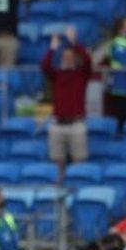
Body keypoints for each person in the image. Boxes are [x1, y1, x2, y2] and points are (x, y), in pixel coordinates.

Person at [42, 27, 92, 183]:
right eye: (65, 57)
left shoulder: (81, 75)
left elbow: (88, 61)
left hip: (76, 123)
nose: (67, 59)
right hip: (58, 124)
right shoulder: (57, 75)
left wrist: (74, 43)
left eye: (71, 57)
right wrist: (52, 48)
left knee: (80, 161)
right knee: (58, 162)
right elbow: (45, 66)